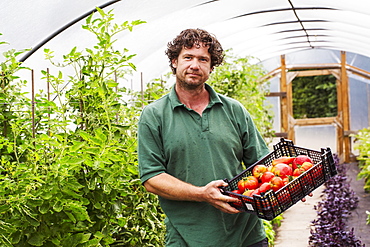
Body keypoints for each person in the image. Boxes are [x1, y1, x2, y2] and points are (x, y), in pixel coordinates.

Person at [138, 28, 270, 247]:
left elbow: (263, 164)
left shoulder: (233, 110)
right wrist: (201, 194)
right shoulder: (154, 115)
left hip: (246, 235)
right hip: (188, 237)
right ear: (174, 61)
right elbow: (152, 178)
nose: (194, 65)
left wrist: (289, 188)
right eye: (187, 57)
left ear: (211, 67)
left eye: (203, 59)